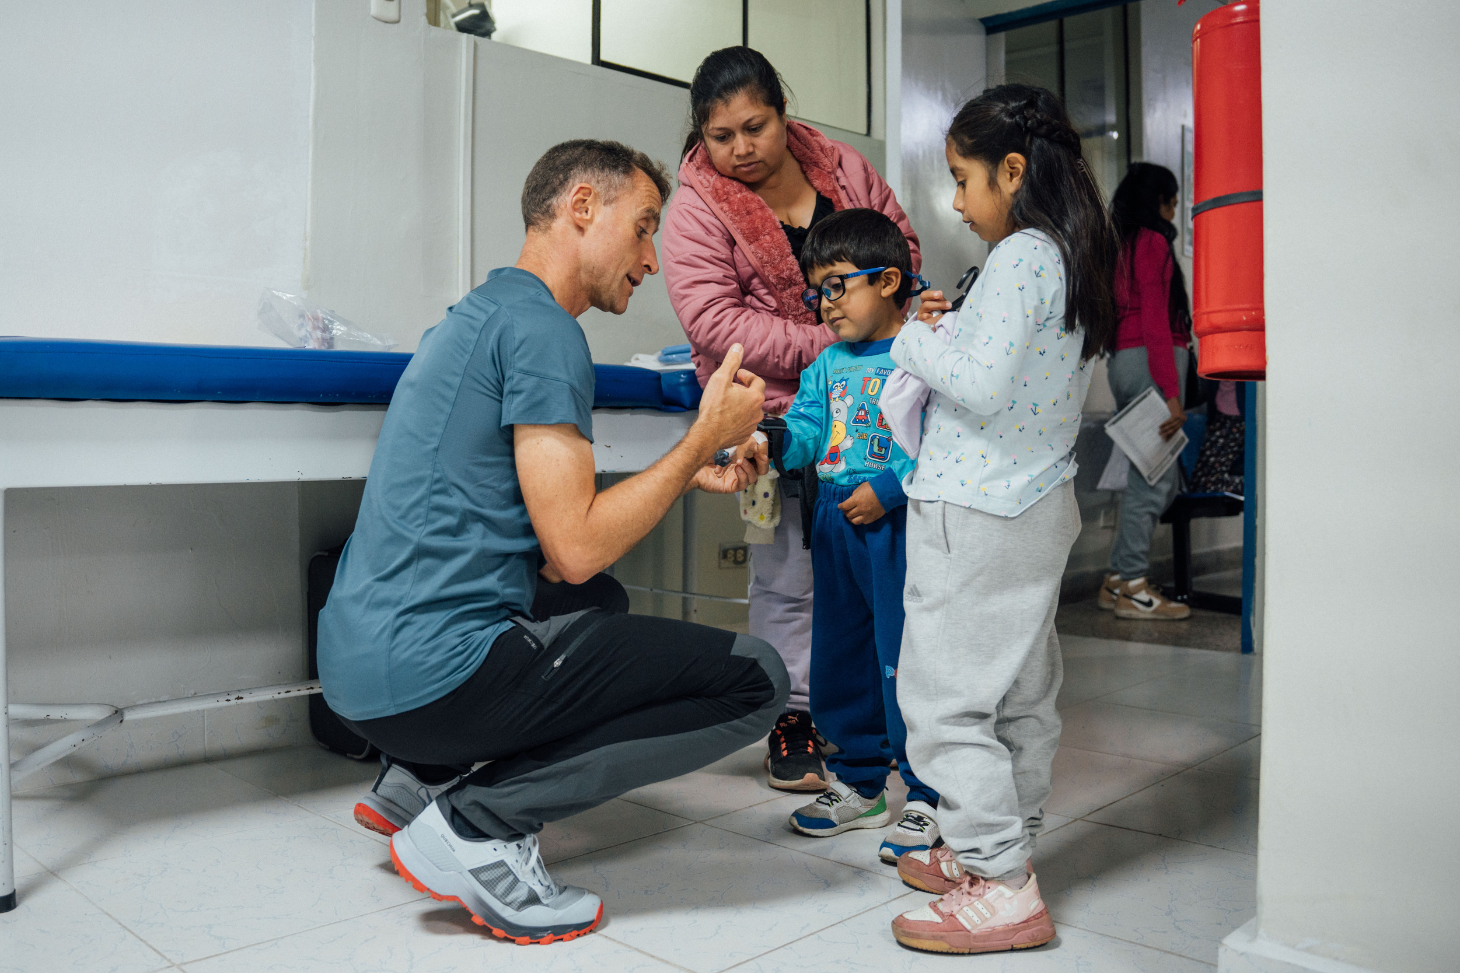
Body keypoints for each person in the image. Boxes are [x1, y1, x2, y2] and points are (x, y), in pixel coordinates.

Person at [316, 139, 789, 945]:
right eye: (642, 229)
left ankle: (414, 779)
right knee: (758, 680)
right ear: (580, 207)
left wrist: (684, 471)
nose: (650, 260)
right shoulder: (545, 331)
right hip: (428, 681)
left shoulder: (476, 316)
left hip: (356, 679)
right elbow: (574, 544)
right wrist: (699, 436)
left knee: (596, 602)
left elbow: (551, 546)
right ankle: (478, 825)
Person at [883, 85, 1118, 954]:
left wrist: (914, 335)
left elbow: (976, 385)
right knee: (1018, 692)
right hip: (1034, 502)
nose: (955, 200)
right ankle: (998, 848)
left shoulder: (1021, 254)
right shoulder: (1071, 255)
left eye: (962, 178)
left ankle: (999, 880)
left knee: (945, 701)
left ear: (1012, 172)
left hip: (975, 506)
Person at [662, 46, 920, 792]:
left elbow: (899, 251)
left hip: (877, 409)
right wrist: (839, 346)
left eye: (757, 126)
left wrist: (873, 346)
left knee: (881, 574)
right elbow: (715, 320)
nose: (742, 148)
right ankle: (794, 719)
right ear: (700, 137)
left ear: (784, 112)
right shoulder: (698, 208)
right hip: (765, 414)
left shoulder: (841, 167)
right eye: (721, 135)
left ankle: (879, 720)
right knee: (785, 576)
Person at [763, 208, 941, 864]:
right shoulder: (826, 363)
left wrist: (890, 487)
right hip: (835, 517)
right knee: (841, 653)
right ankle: (862, 783)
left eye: (838, 286)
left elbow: (941, 439)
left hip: (895, 523)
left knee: (907, 657)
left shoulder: (922, 350)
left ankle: (927, 792)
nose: (825, 305)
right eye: (817, 291)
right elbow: (808, 427)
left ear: (890, 279)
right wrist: (769, 444)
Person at [1097, 162, 1194, 620]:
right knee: (1156, 479)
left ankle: (1117, 581)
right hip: (1151, 363)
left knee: (1148, 471)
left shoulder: (1120, 244)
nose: (1174, 212)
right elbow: (1156, 318)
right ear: (1158, 201)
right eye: (1172, 201)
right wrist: (1173, 393)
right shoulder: (1152, 241)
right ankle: (1134, 586)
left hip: (1125, 362)